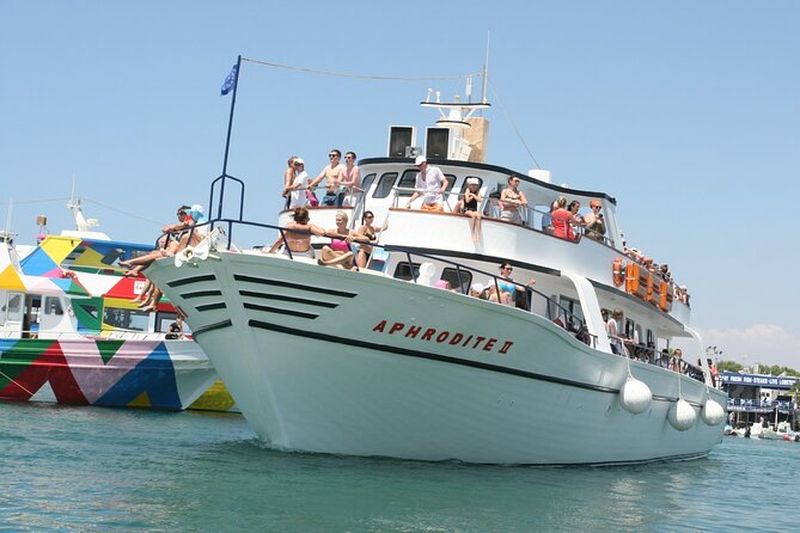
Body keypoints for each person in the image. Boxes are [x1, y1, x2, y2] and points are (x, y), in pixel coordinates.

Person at [455, 177, 483, 243]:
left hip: (474, 209)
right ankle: (473, 233)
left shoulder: (477, 192)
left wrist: (473, 195)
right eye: (472, 185)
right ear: (469, 185)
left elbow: (480, 200)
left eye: (475, 185)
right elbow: (467, 201)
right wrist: (471, 196)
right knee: (473, 215)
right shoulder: (467, 190)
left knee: (478, 216)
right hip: (467, 209)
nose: (474, 186)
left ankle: (478, 234)